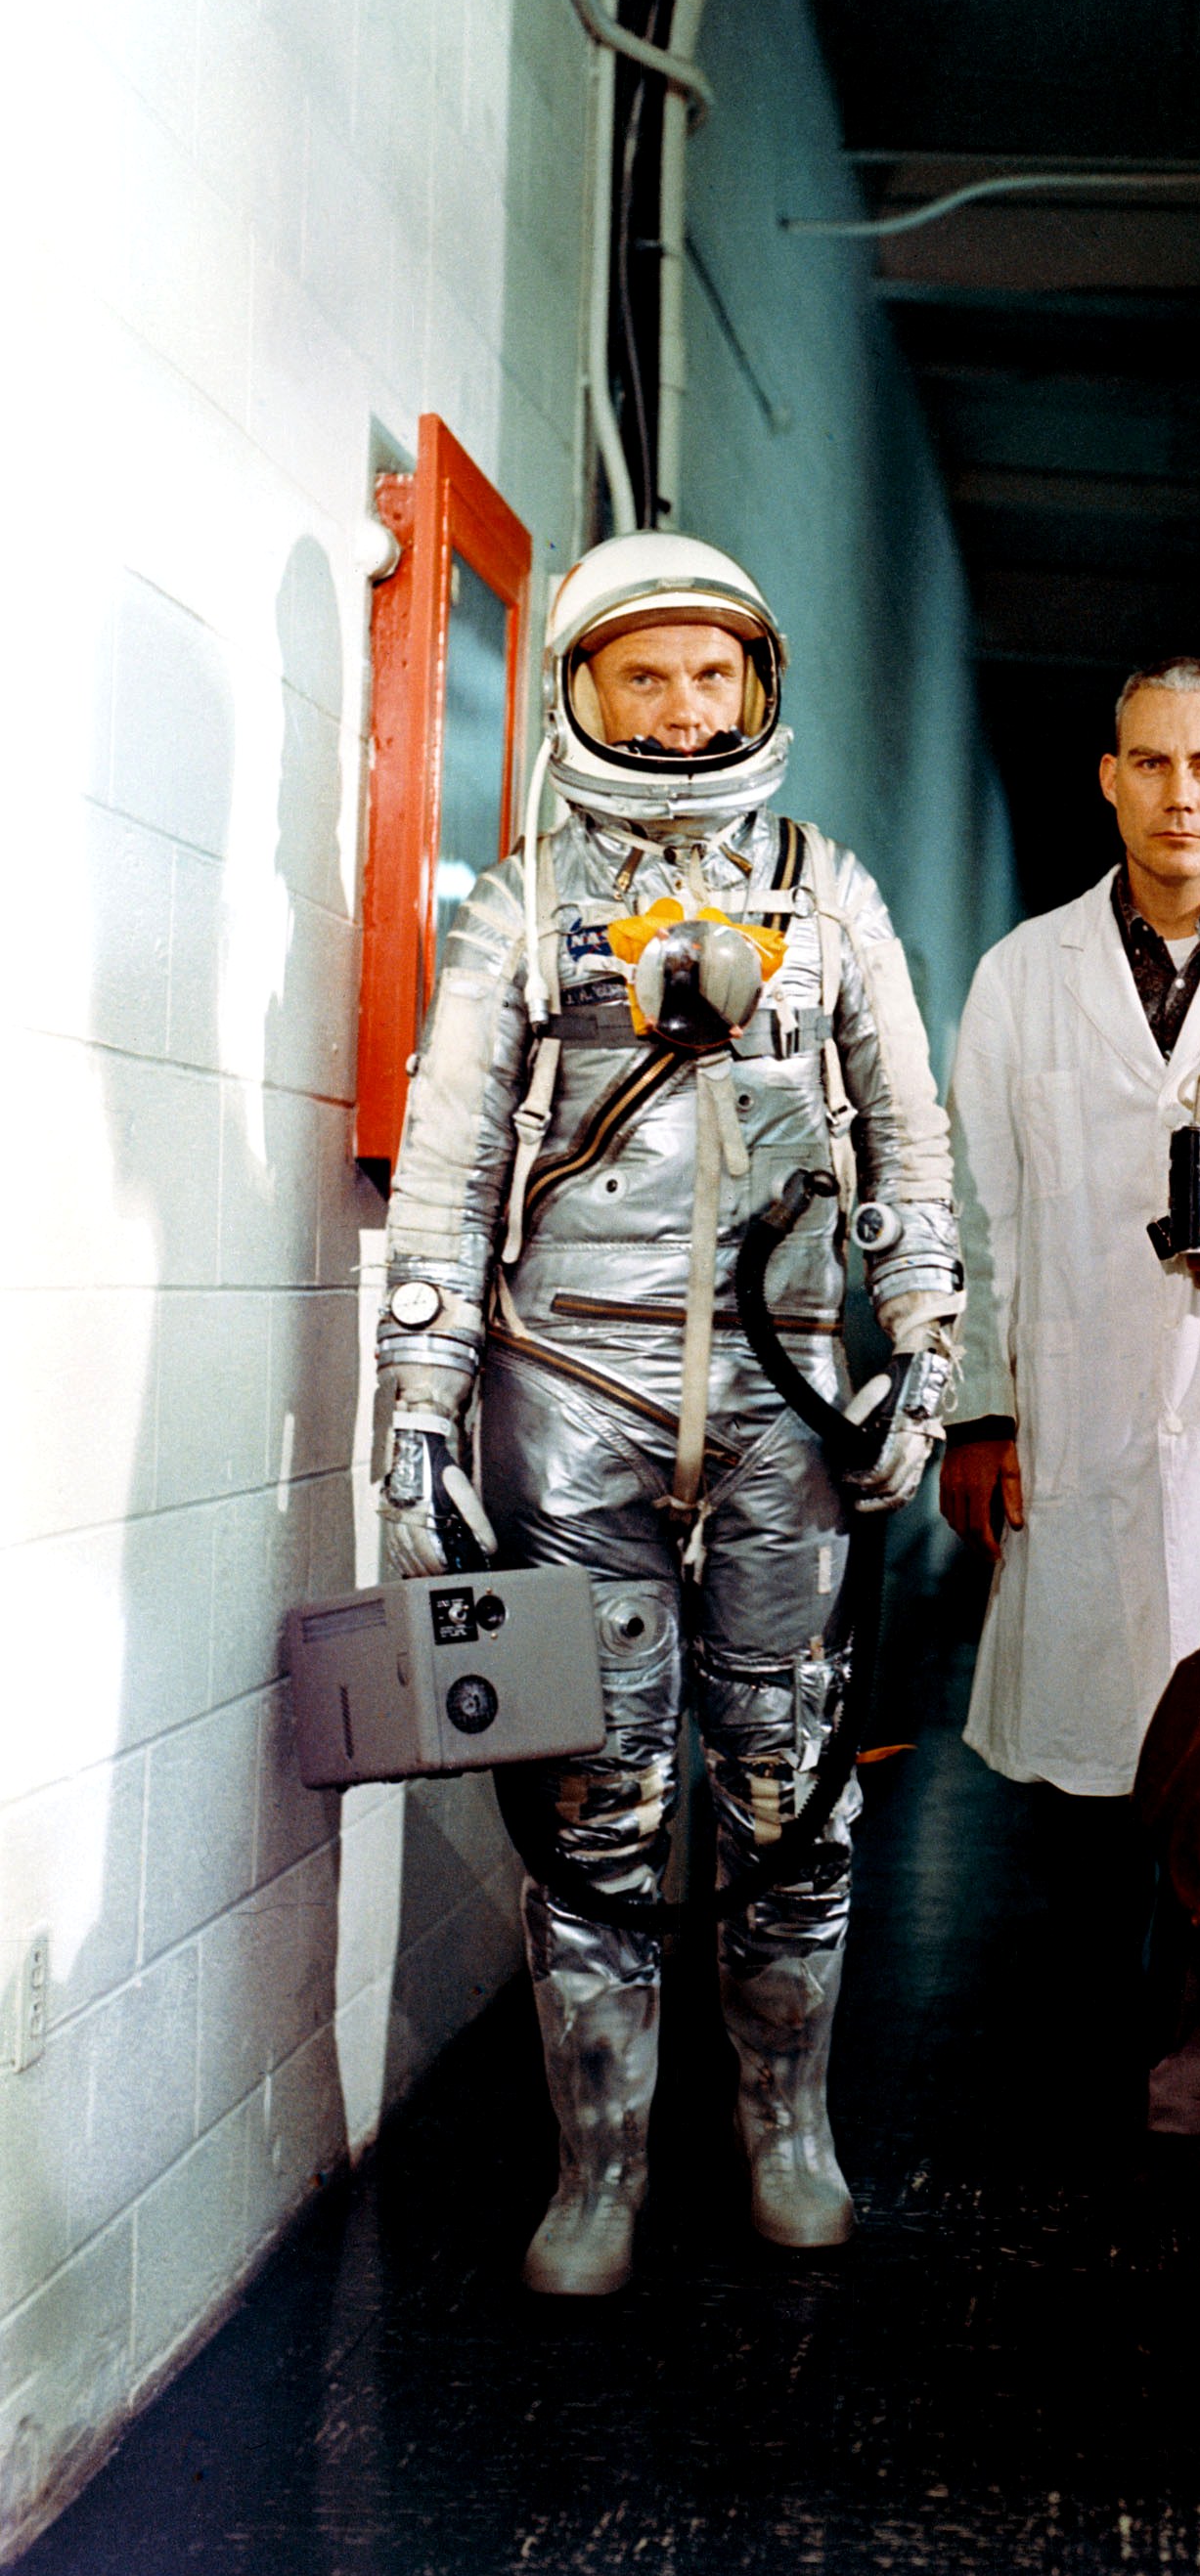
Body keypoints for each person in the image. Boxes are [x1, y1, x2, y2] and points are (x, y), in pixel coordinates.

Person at [375, 530, 960, 2297]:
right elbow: (454, 1158)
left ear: (758, 689)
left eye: (712, 673)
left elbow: (905, 1135)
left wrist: (924, 1340)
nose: (682, 706)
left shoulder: (824, 891)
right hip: (570, 1389)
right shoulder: (516, 903)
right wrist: (417, 1388)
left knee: (784, 1786)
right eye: (646, 675)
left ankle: (785, 2128)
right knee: (595, 1796)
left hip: (783, 1390)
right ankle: (598, 2172)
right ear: (585, 693)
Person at [942, 659, 1200, 2141]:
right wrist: (977, 1411)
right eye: (1151, 765)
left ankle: (1197, 2057)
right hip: (1077, 1411)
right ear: (1108, 777)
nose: (1180, 795)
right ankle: (1083, 2030)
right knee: (1086, 1755)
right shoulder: (1025, 974)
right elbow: (975, 1207)